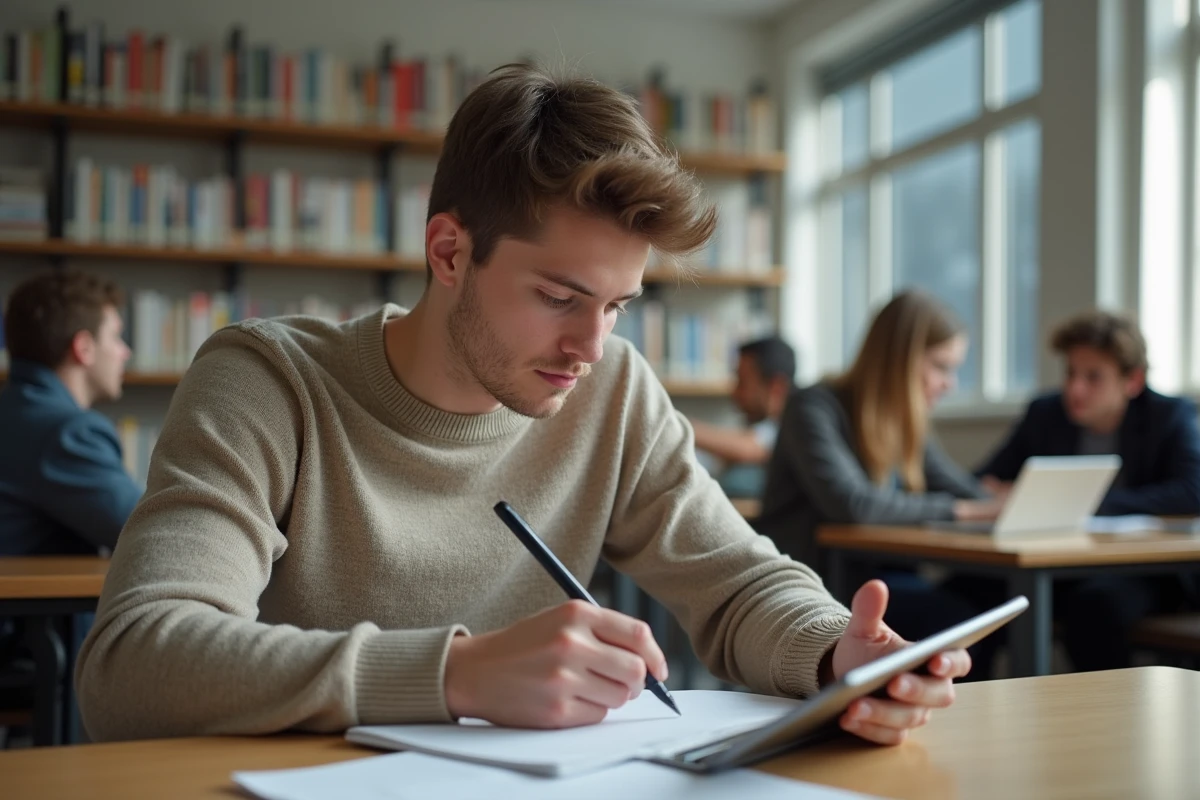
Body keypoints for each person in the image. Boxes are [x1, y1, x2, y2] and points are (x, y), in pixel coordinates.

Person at [76, 64, 969, 745]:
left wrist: (837, 655)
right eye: (558, 296)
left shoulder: (612, 391)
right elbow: (133, 662)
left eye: (618, 306)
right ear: (450, 251)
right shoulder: (267, 382)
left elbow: (737, 585)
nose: (591, 346)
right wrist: (454, 673)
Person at [755, 290, 1005, 676]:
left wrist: (1003, 502)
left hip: (880, 576)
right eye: (941, 366)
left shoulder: (903, 419)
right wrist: (969, 508)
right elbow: (853, 504)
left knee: (995, 600)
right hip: (819, 584)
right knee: (955, 616)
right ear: (900, 361)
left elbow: (958, 486)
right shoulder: (813, 405)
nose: (950, 384)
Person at [977, 310, 1200, 670]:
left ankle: (1102, 722)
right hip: (1057, 565)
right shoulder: (1045, 413)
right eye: (1071, 374)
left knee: (1096, 607)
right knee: (966, 597)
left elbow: (1192, 492)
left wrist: (1079, 504)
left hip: (1142, 571)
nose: (1075, 389)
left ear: (1133, 381)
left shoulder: (1170, 415)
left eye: (1093, 377)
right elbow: (985, 480)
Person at [0, 270, 140, 555]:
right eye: (115, 337)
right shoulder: (68, 434)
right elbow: (158, 533)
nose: (125, 352)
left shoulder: (14, 411)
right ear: (83, 348)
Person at [689, 336, 795, 499]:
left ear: (776, 387)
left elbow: (749, 447)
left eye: (742, 383)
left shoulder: (791, 429)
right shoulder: (762, 429)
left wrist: (677, 425)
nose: (735, 393)